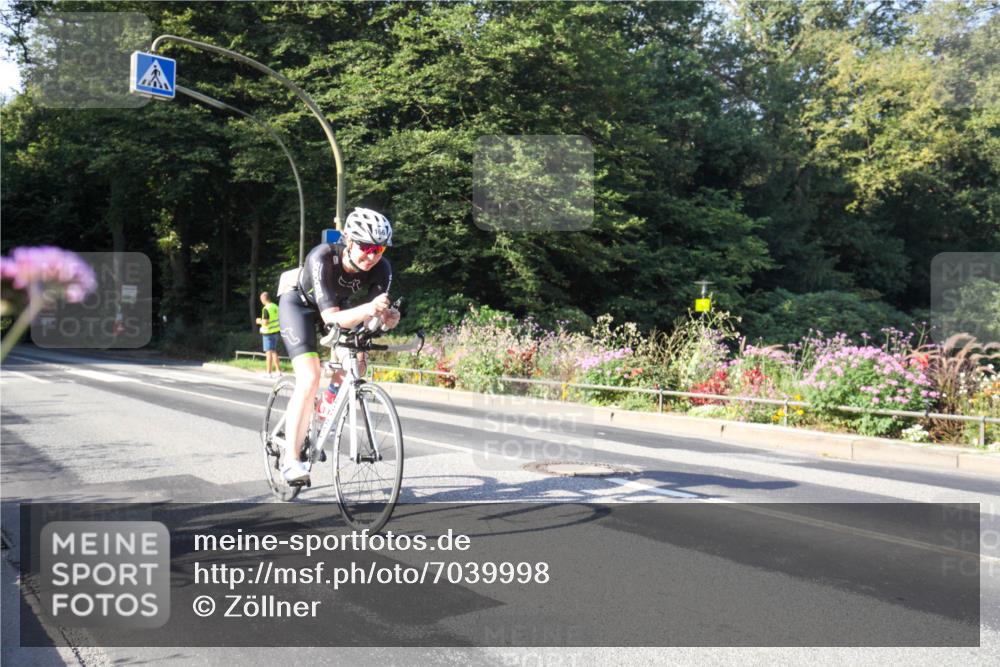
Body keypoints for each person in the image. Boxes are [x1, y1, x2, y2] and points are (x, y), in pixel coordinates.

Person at [277, 207, 401, 483]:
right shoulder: (322, 257)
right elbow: (330, 317)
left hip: (338, 306)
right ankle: (291, 461)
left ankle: (324, 409)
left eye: (379, 249)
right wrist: (370, 309)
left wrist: (388, 318)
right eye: (366, 246)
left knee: (357, 359)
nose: (372, 255)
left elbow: (374, 314)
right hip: (299, 306)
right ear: (348, 239)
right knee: (309, 378)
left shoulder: (382, 267)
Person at [255, 292, 281, 377]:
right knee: (274, 352)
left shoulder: (266, 308)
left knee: (269, 353)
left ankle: (269, 372)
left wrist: (259, 321)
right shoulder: (275, 306)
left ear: (263, 299)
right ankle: (278, 371)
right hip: (276, 331)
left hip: (268, 334)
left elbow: (266, 322)